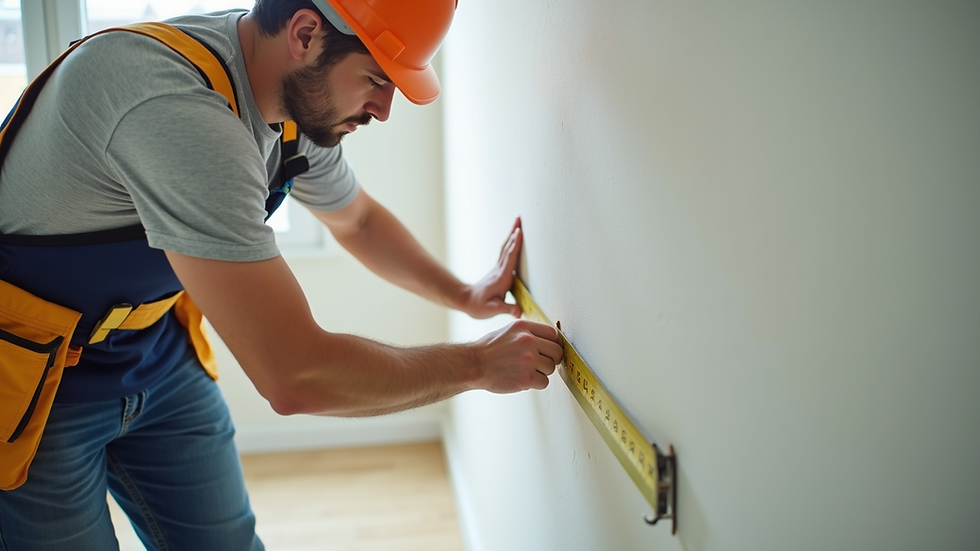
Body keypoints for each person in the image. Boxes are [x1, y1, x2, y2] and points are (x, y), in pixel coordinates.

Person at [0, 0, 563, 548]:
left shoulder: (288, 101)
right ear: (304, 33)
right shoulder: (175, 107)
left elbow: (359, 220)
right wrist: (478, 364)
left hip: (155, 350)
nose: (385, 108)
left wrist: (465, 295)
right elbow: (296, 374)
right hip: (32, 382)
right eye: (375, 79)